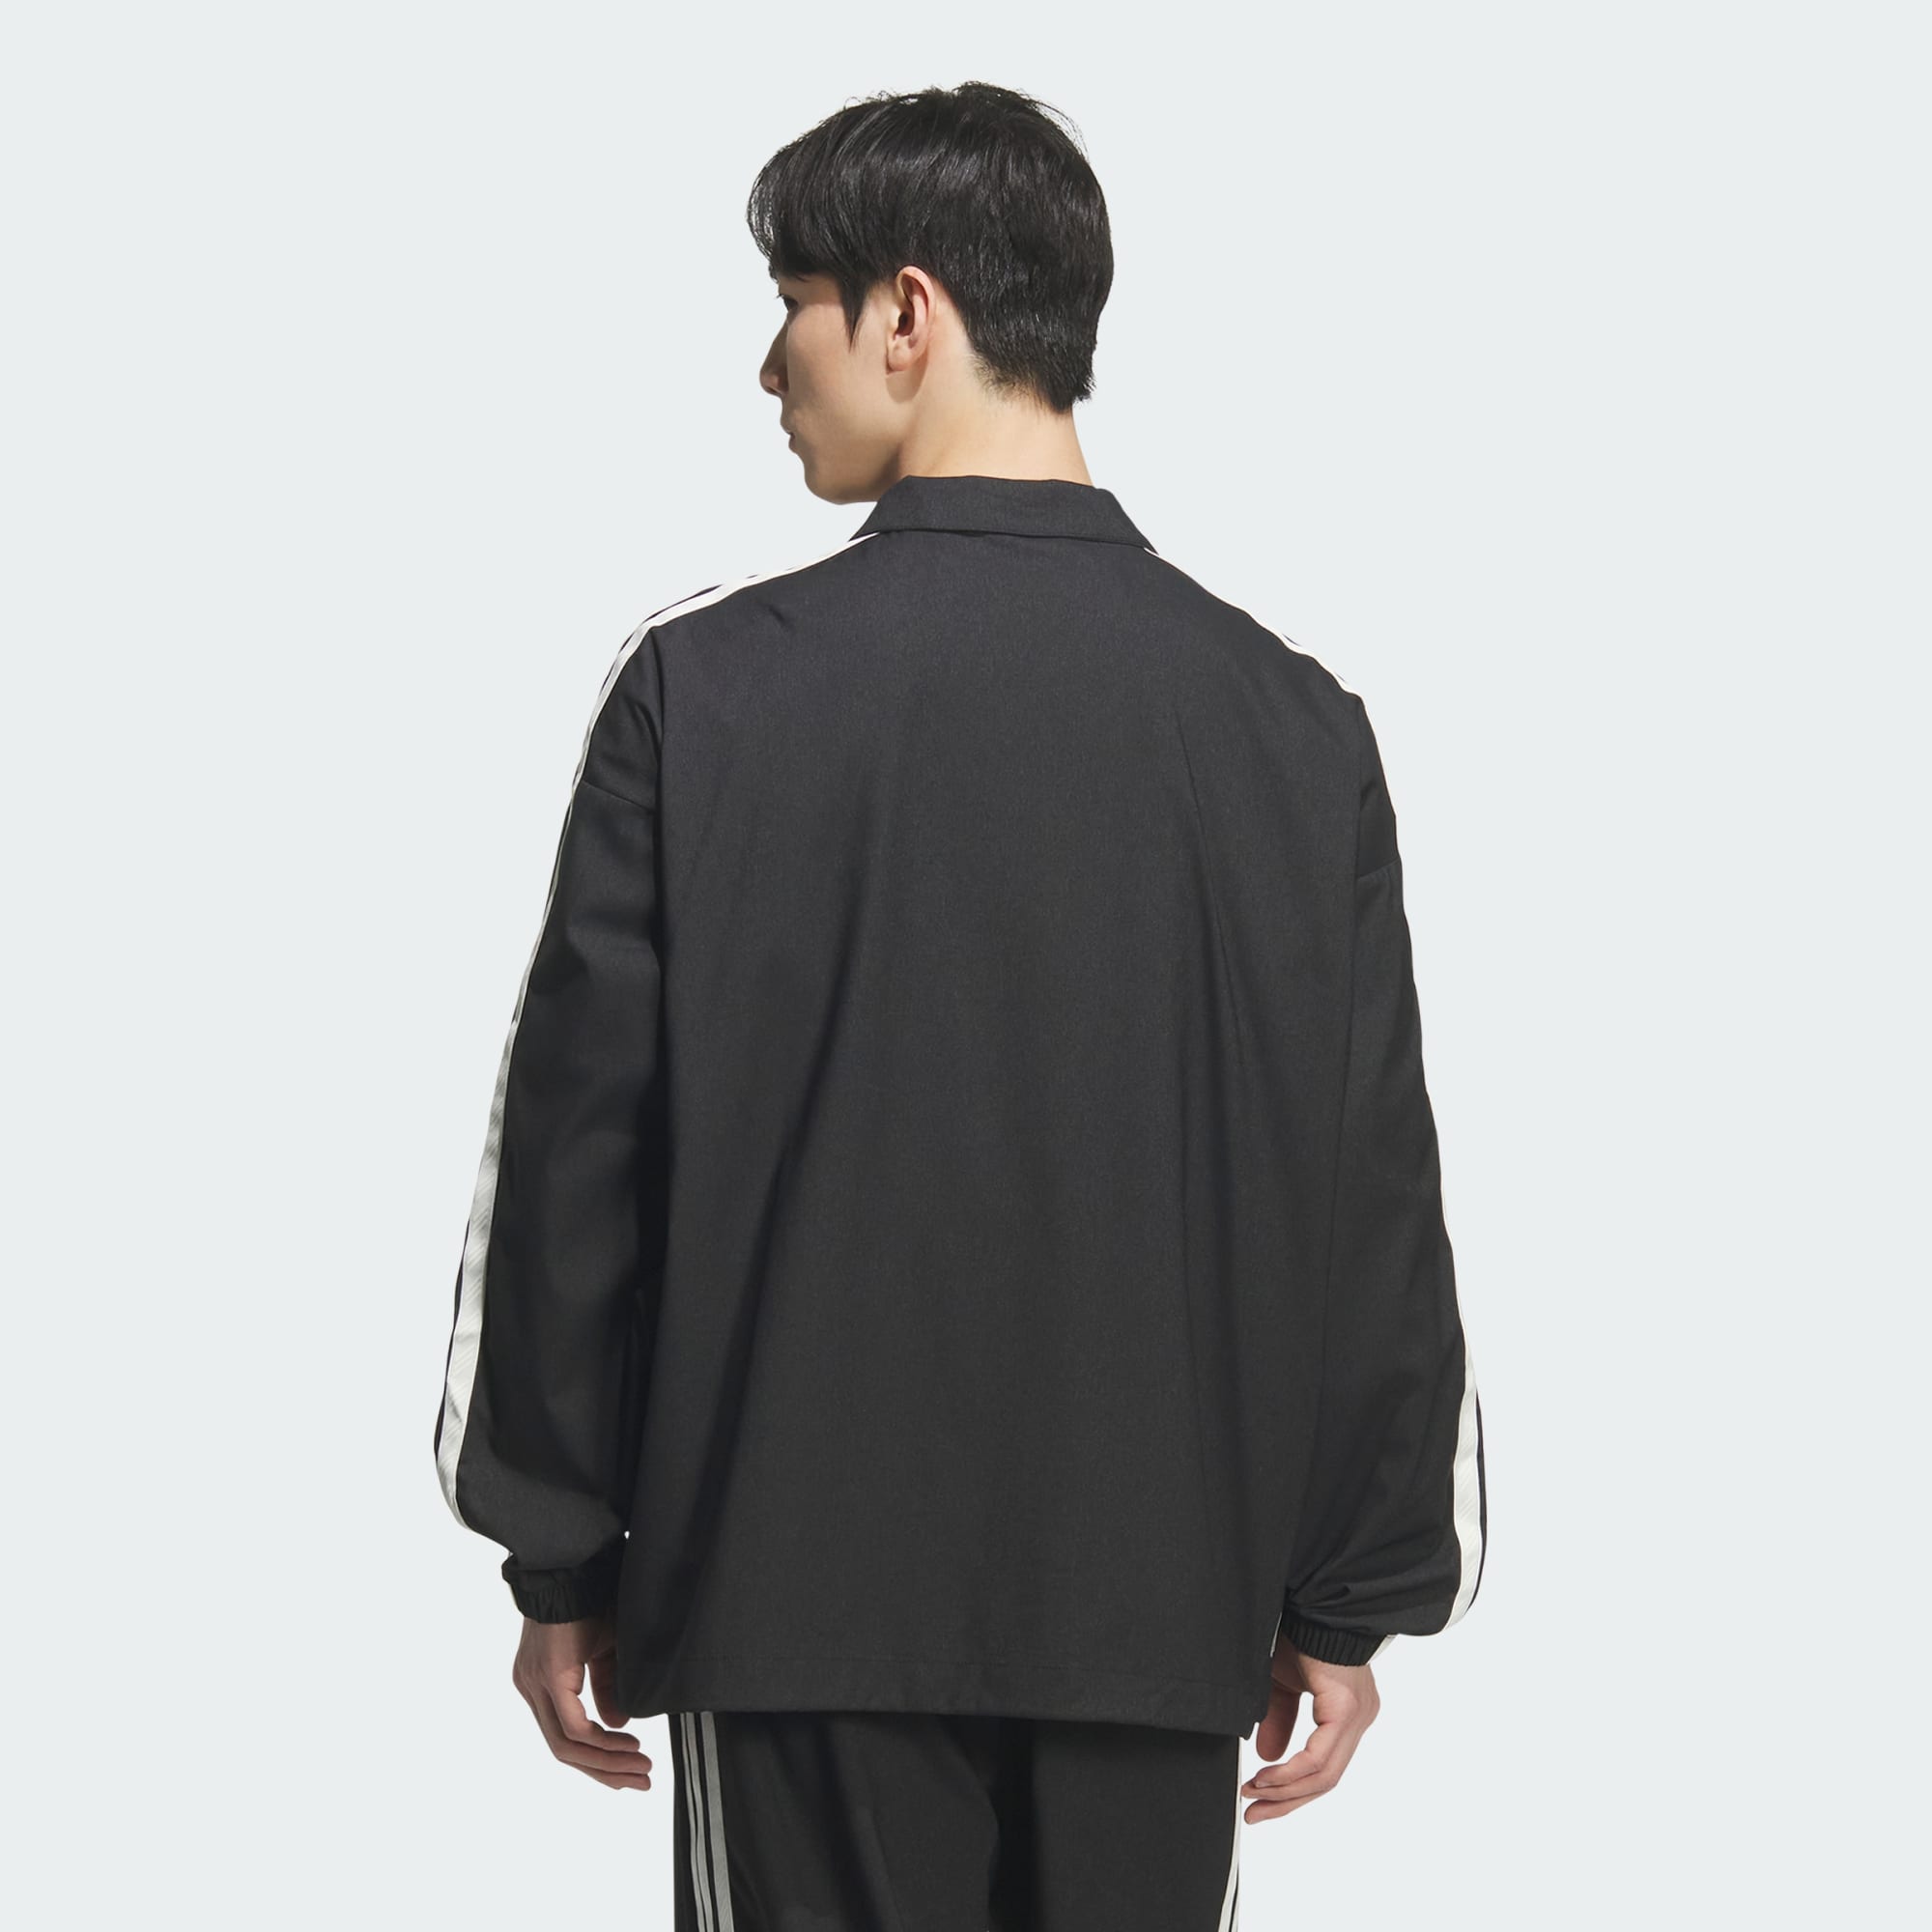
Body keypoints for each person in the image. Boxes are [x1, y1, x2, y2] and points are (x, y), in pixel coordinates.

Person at [433, 78, 1486, 1930]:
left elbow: (583, 1159)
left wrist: (557, 1548)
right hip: (1160, 1614)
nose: (770, 367)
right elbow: (1368, 1201)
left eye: (795, 305)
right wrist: (1354, 1588)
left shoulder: (703, 693)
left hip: (788, 1606)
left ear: (906, 313)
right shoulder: (1293, 728)